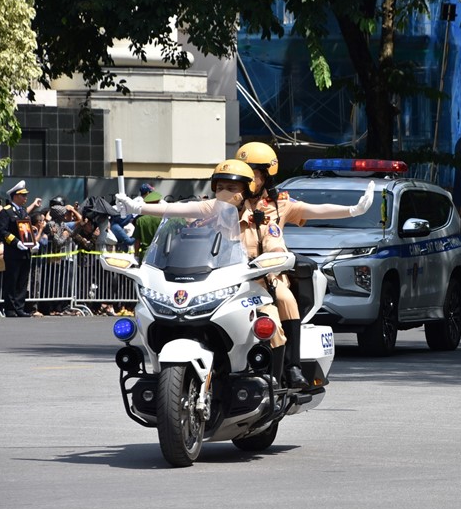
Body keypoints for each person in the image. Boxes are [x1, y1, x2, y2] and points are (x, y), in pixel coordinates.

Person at [117, 156, 375, 389]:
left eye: (232, 188)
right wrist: (136, 208)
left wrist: (353, 210)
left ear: (249, 188)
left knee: (280, 304)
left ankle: (285, 371)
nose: (224, 193)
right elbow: (174, 211)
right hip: (216, 281)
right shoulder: (210, 210)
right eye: (220, 187)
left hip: (260, 280)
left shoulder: (265, 215)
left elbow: (301, 221)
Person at [235, 142, 375, 388]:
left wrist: (353, 210)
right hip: (231, 275)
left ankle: (291, 367)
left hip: (267, 277)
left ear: (267, 175)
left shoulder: (279, 204)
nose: (249, 180)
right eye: (245, 174)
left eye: (254, 174)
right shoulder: (229, 203)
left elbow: (317, 210)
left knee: (286, 300)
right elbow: (197, 214)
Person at [0, 181, 41, 317]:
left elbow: (26, 230)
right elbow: (2, 231)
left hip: (25, 252)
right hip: (13, 252)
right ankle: (10, 309)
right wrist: (16, 242)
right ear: (15, 196)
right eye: (23, 195)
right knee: (12, 280)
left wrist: (33, 242)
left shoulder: (23, 212)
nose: (25, 198)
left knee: (22, 281)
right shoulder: (6, 211)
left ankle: (19, 307)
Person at [133, 190, 162, 263]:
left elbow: (137, 241)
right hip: (159, 255)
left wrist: (136, 255)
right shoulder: (163, 219)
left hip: (145, 254)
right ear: (157, 202)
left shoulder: (140, 220)